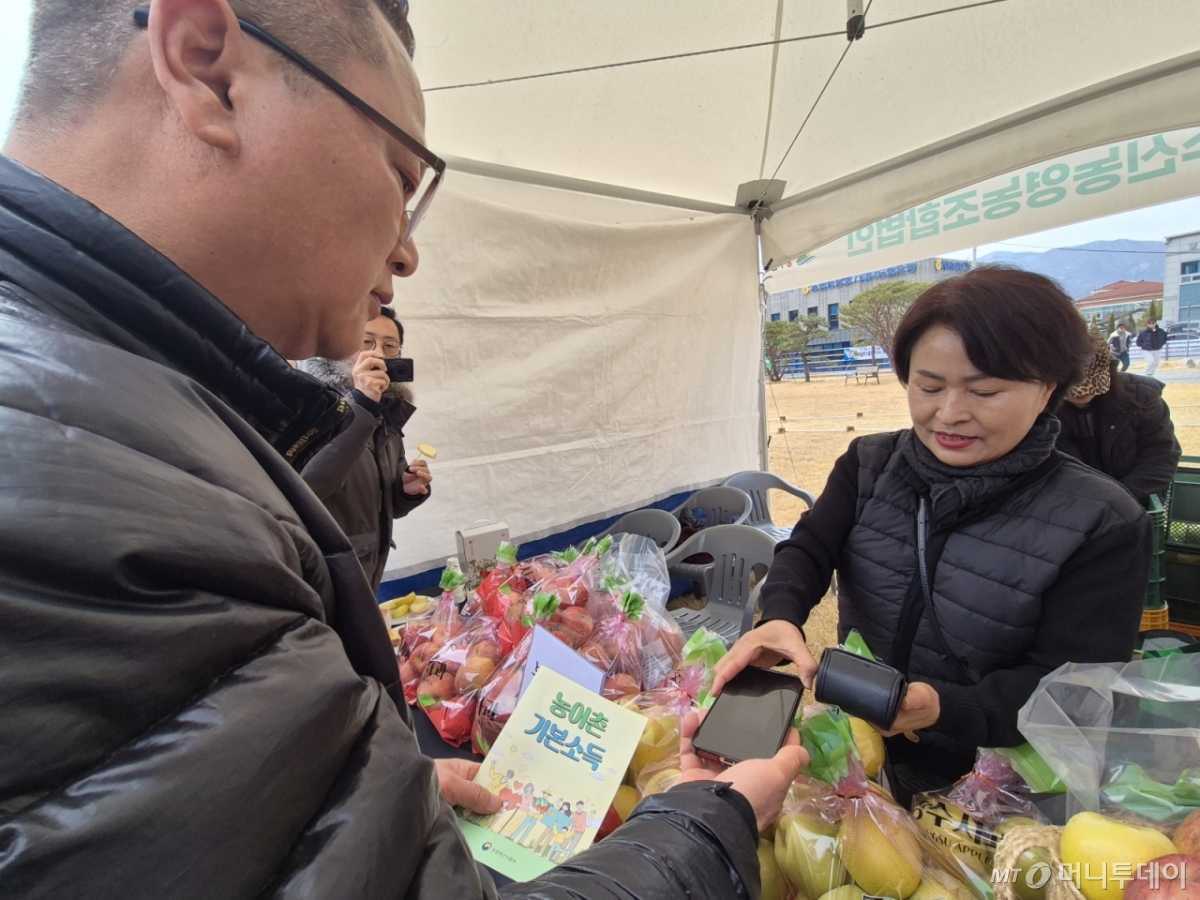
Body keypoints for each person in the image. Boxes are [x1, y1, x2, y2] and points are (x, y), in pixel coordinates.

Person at [0, 1, 810, 898]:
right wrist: (705, 826)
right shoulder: (87, 483)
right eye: (400, 174)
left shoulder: (110, 414)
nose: (409, 253)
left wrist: (359, 798)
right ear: (206, 66)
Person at [714, 267, 1150, 803]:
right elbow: (809, 546)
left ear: (1048, 390)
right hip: (859, 748)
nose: (949, 413)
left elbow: (1070, 690)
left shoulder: (1103, 520)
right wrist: (781, 614)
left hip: (997, 785)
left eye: (984, 391)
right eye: (928, 386)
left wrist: (944, 707)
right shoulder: (869, 464)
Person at [300, 307, 432, 591]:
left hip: (368, 571)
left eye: (390, 345)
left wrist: (405, 490)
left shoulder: (386, 413)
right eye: (366, 341)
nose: (379, 353)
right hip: (318, 574)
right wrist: (361, 405)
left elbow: (387, 508)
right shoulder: (309, 405)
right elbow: (304, 490)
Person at [1056, 340, 1181, 506]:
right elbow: (1056, 467)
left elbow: (1161, 454)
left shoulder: (1142, 397)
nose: (1081, 392)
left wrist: (1123, 502)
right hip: (1076, 504)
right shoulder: (1041, 412)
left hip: (1136, 502)